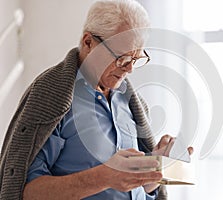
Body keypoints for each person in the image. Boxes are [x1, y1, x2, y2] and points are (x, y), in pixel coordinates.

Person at [0, 0, 192, 199]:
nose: (130, 69)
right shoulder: (50, 97)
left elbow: (139, 189)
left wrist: (154, 169)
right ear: (88, 42)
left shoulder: (132, 102)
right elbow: (25, 192)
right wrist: (103, 177)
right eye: (122, 58)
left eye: (135, 58)